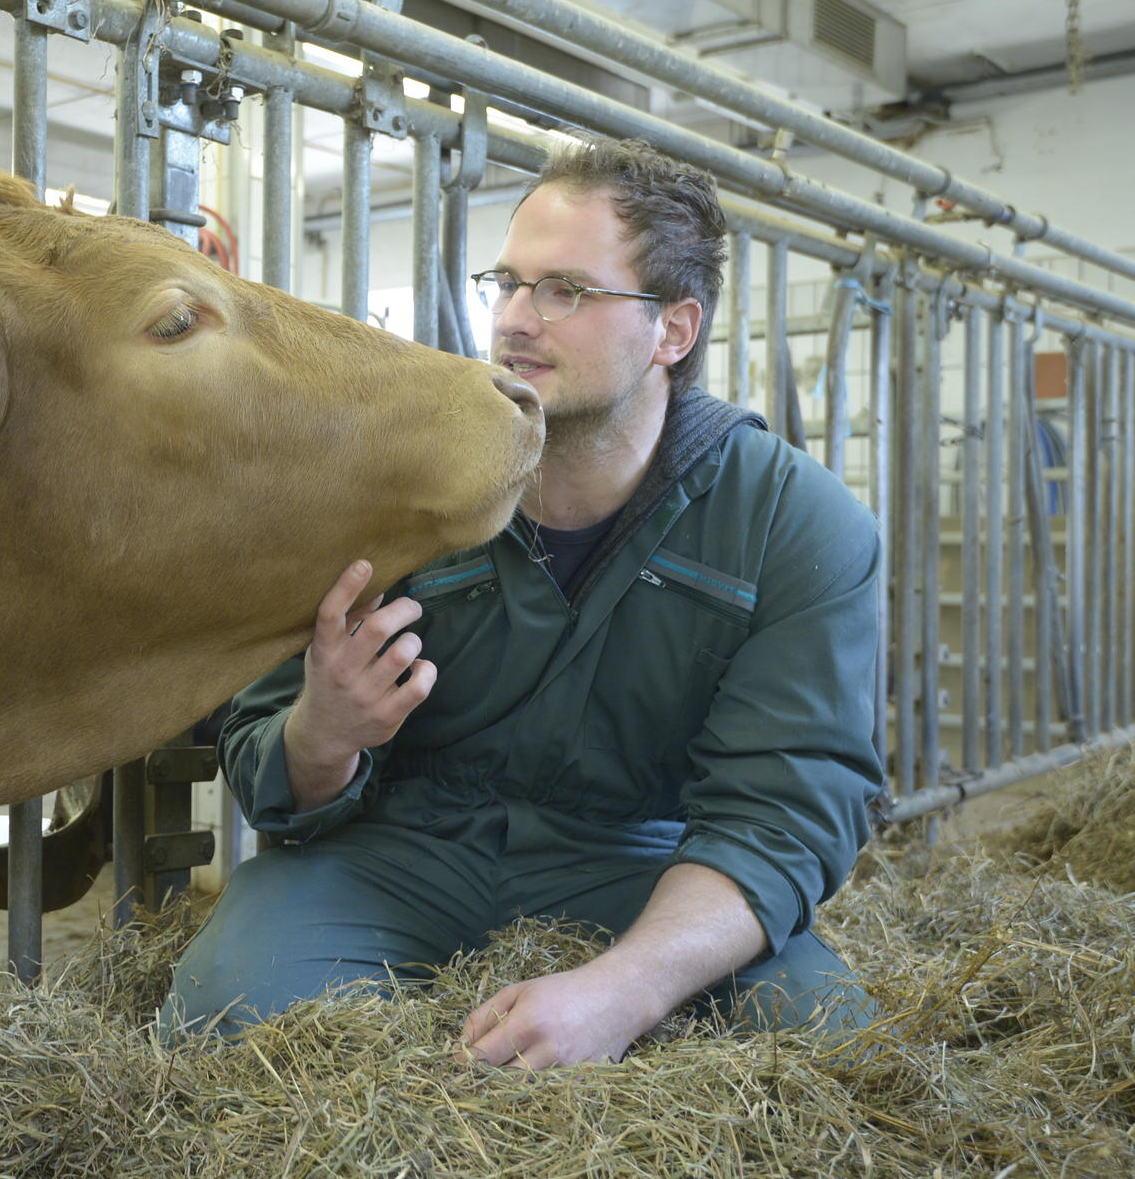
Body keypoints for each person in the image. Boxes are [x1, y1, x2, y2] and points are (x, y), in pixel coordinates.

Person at [164, 135, 884, 1069]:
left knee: (831, 1044)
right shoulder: (392, 481)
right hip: (401, 852)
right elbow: (266, 748)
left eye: (567, 291)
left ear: (674, 328)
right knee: (223, 1017)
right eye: (507, 282)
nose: (514, 318)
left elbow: (781, 816)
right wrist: (324, 732)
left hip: (642, 863)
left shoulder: (795, 522)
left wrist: (620, 993)